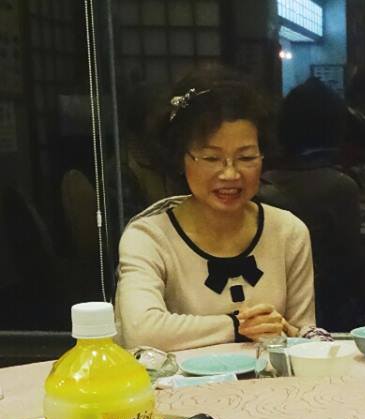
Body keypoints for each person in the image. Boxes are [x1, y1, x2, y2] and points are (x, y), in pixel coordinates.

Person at [115, 66, 316, 352]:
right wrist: (236, 326)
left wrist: (289, 331)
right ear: (181, 158)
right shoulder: (149, 238)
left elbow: (305, 338)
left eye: (246, 157)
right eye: (211, 158)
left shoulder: (288, 232)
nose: (230, 174)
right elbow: (140, 332)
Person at [258, 77, 365, 331]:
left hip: (269, 304)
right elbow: (353, 264)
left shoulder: (263, 180)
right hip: (328, 310)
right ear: (336, 127)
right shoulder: (340, 186)